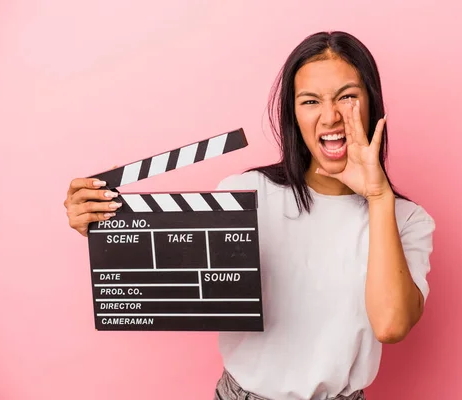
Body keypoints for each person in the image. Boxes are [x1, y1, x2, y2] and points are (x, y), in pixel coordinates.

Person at [64, 31, 436, 400]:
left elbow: (390, 324)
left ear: (372, 103)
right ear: (293, 113)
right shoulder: (247, 194)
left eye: (348, 97)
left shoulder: (406, 219)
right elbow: (178, 264)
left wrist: (377, 195)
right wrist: (106, 224)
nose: (330, 116)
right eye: (310, 101)